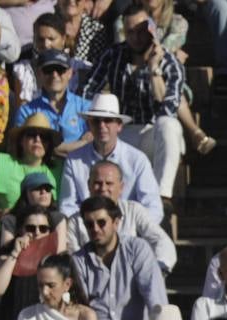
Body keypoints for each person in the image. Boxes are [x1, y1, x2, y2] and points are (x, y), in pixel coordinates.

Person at [81, 5, 186, 207]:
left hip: (153, 131)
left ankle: (162, 197)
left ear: (151, 30)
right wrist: (90, 124)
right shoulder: (114, 55)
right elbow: (88, 89)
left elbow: (168, 108)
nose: (136, 38)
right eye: (130, 32)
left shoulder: (169, 63)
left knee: (170, 125)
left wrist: (154, 68)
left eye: (141, 31)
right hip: (122, 131)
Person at [70, 196, 166, 320]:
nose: (95, 229)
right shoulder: (78, 260)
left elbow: (155, 297)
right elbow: (80, 310)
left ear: (116, 222)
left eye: (101, 222)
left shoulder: (137, 249)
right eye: (89, 224)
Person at [64, 161, 175, 275]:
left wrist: (156, 271)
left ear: (121, 187)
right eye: (98, 183)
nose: (103, 188)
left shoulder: (134, 211)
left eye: (109, 183)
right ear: (89, 185)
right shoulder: (76, 221)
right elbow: (74, 261)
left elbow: (161, 241)